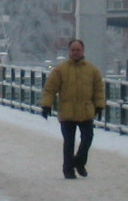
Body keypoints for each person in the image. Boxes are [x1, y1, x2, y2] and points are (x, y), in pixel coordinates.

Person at [41, 38, 106, 179]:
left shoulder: (92, 70)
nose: (75, 52)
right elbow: (50, 89)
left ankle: (79, 162)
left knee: (88, 138)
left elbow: (98, 90)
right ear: (69, 51)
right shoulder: (60, 70)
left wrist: (99, 106)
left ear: (82, 51)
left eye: (78, 50)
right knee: (69, 142)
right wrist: (46, 105)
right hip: (67, 111)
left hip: (85, 111)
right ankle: (68, 170)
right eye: (73, 50)